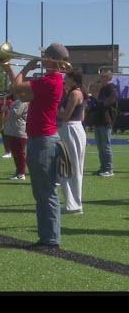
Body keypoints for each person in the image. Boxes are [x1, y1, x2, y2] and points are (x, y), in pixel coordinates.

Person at [4, 42, 69, 249]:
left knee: (45, 192)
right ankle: (47, 238)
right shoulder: (51, 80)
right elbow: (21, 95)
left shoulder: (51, 81)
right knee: (42, 193)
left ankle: (50, 240)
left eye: (44, 57)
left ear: (50, 58)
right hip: (40, 140)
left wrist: (24, 69)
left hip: (43, 141)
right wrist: (8, 69)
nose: (41, 59)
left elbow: (17, 87)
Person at [58, 69, 87, 213]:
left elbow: (66, 116)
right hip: (74, 128)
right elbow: (82, 117)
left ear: (73, 79)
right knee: (71, 167)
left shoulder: (75, 93)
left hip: (70, 128)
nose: (65, 78)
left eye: (67, 76)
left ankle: (74, 204)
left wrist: (52, 110)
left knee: (70, 167)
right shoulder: (75, 92)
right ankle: (74, 203)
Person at [92, 70, 118, 177]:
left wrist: (97, 102)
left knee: (105, 146)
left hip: (106, 121)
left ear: (108, 78)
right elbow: (100, 104)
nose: (101, 78)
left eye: (103, 77)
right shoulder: (102, 89)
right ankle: (103, 168)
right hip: (99, 121)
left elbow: (107, 103)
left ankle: (109, 169)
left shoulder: (111, 89)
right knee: (100, 146)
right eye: (101, 76)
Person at [3, 94, 29, 180]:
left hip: (19, 131)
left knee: (20, 153)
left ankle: (21, 173)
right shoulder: (18, 101)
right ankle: (18, 172)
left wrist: (7, 109)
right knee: (15, 153)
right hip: (13, 130)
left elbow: (16, 113)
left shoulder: (22, 101)